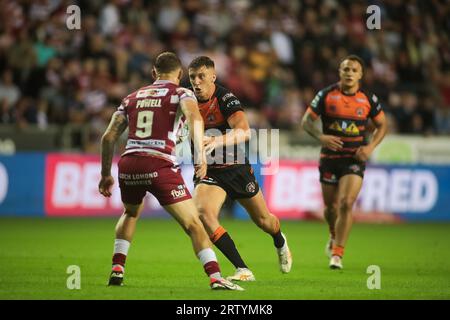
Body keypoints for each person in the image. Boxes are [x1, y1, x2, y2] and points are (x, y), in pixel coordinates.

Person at [98, 52, 243, 290]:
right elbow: (195, 119)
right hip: (159, 163)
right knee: (194, 224)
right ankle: (216, 277)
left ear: (154, 73)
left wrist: (105, 175)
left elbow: (108, 136)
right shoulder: (181, 93)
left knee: (131, 213)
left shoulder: (132, 97)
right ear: (180, 75)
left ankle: (117, 268)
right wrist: (200, 158)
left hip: (128, 163)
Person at [187, 56, 292, 282]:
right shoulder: (186, 99)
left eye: (201, 76)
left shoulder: (225, 98)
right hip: (209, 172)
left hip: (235, 168)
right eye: (192, 77)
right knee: (204, 214)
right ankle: (242, 268)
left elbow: (244, 132)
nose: (196, 81)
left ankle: (280, 241)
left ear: (213, 77)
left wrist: (215, 142)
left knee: (265, 221)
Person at [301, 55, 388, 269]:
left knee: (347, 203)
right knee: (330, 208)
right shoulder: (326, 95)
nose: (349, 73)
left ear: (360, 75)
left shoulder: (368, 98)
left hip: (353, 158)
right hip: (329, 159)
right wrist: (321, 137)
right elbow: (306, 122)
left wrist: (370, 147)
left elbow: (382, 125)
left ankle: (337, 254)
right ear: (340, 72)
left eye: (354, 70)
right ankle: (332, 233)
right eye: (346, 69)